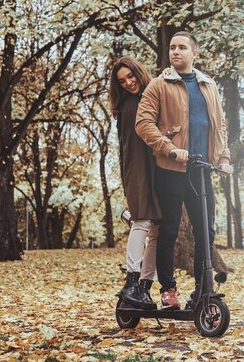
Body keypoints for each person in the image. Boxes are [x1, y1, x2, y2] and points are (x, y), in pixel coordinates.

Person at [135, 31, 232, 310]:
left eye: (181, 48)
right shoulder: (159, 85)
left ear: (194, 54)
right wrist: (169, 148)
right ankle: (168, 291)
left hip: (202, 171)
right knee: (168, 231)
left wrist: (223, 158)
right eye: (172, 47)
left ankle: (203, 290)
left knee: (206, 232)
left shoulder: (208, 85)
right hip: (171, 168)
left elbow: (219, 126)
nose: (175, 52)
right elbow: (143, 123)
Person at [110, 56, 162, 310]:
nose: (129, 83)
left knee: (157, 230)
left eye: (130, 76)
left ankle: (144, 287)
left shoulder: (153, 94)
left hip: (158, 169)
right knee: (142, 220)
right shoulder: (130, 105)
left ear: (138, 72)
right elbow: (130, 147)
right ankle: (131, 282)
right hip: (139, 168)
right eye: (122, 81)